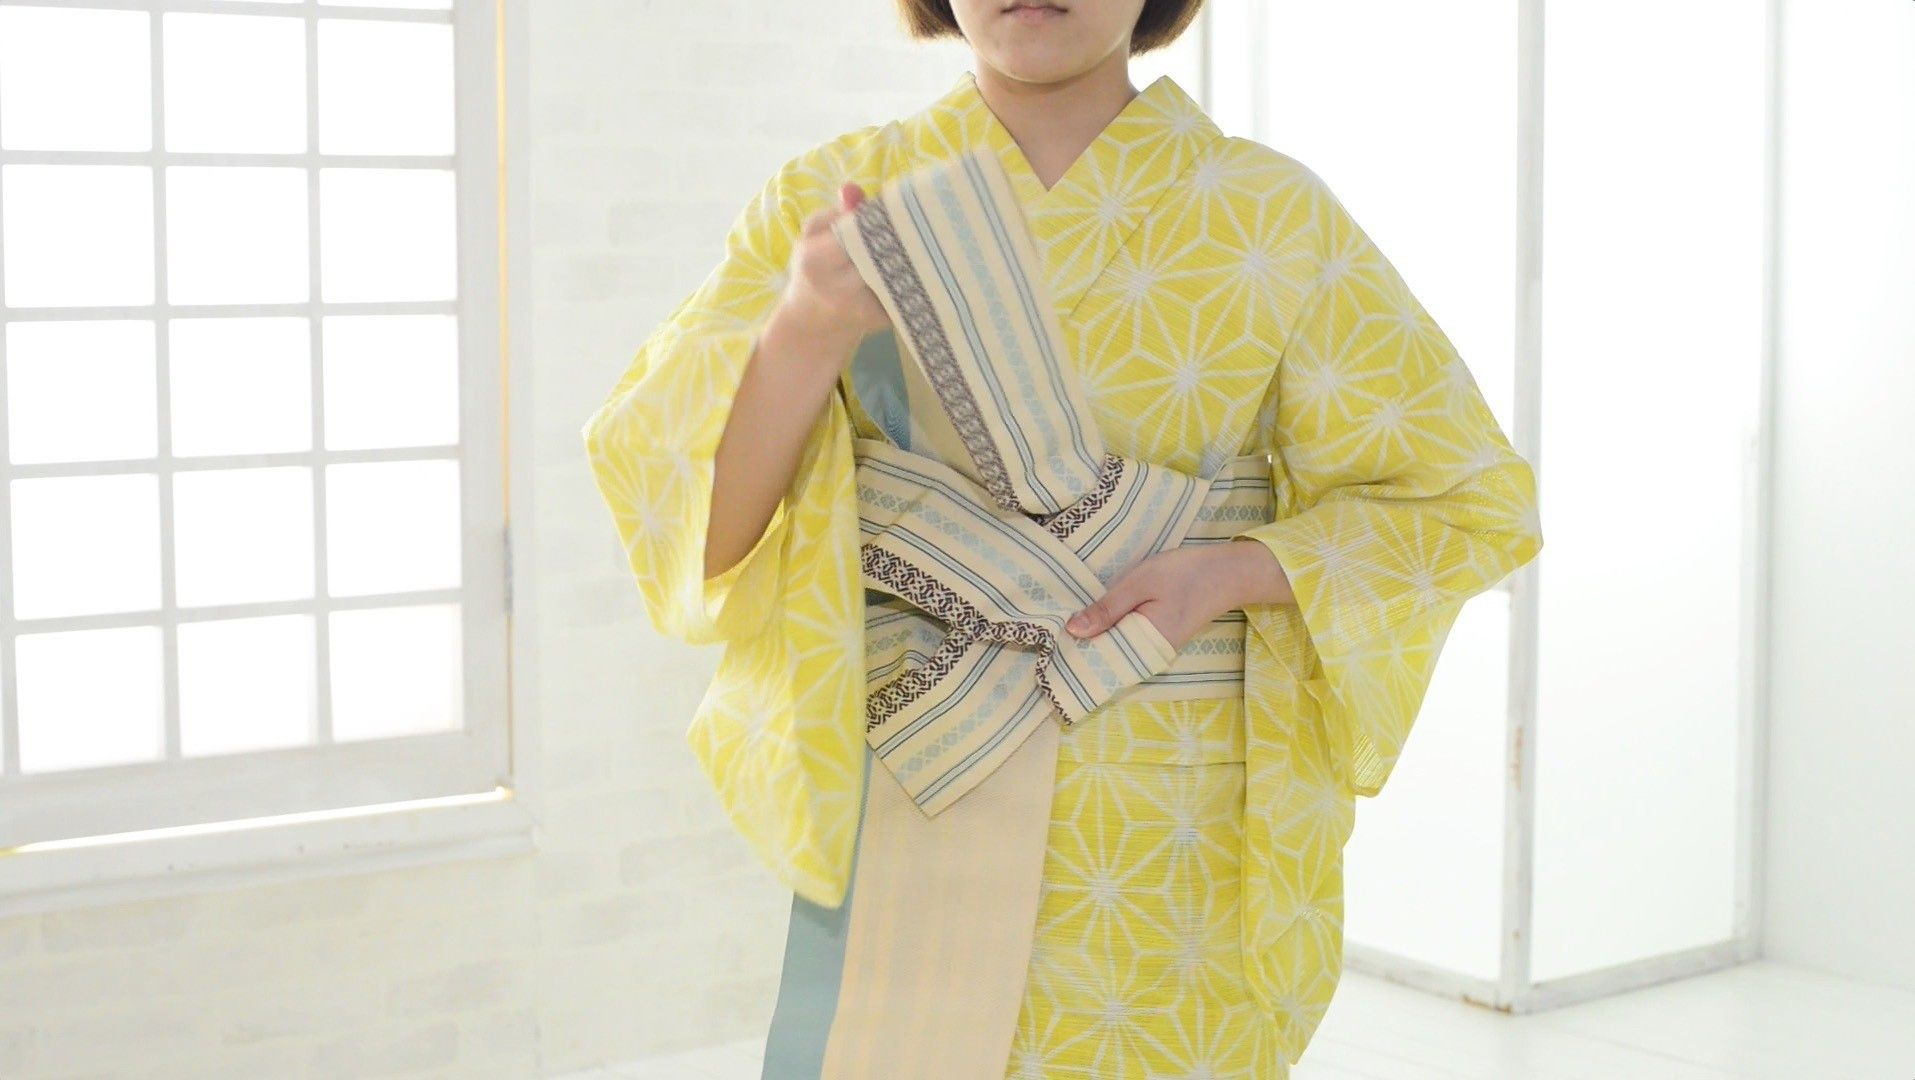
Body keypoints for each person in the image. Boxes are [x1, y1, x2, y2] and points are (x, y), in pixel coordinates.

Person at [580, 0, 1545, 1076]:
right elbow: (703, 538)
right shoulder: (837, 199)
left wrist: (1227, 572)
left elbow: (1465, 500)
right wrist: (805, 329)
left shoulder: (1272, 213)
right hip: (921, 771)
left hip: (1175, 813)